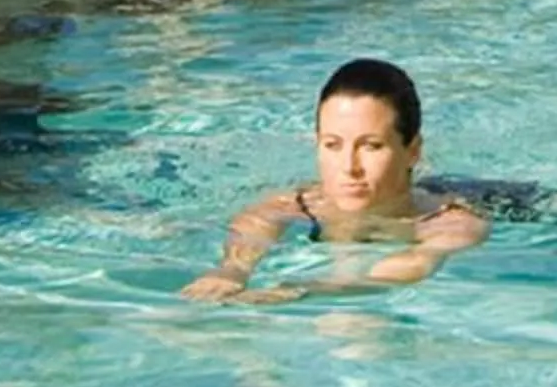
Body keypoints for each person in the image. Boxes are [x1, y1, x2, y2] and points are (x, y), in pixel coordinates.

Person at [180, 58, 489, 304]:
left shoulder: (449, 222)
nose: (349, 167)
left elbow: (405, 268)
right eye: (332, 145)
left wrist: (302, 289)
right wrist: (233, 271)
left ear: (413, 151)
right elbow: (254, 225)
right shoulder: (302, 203)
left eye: (371, 146)